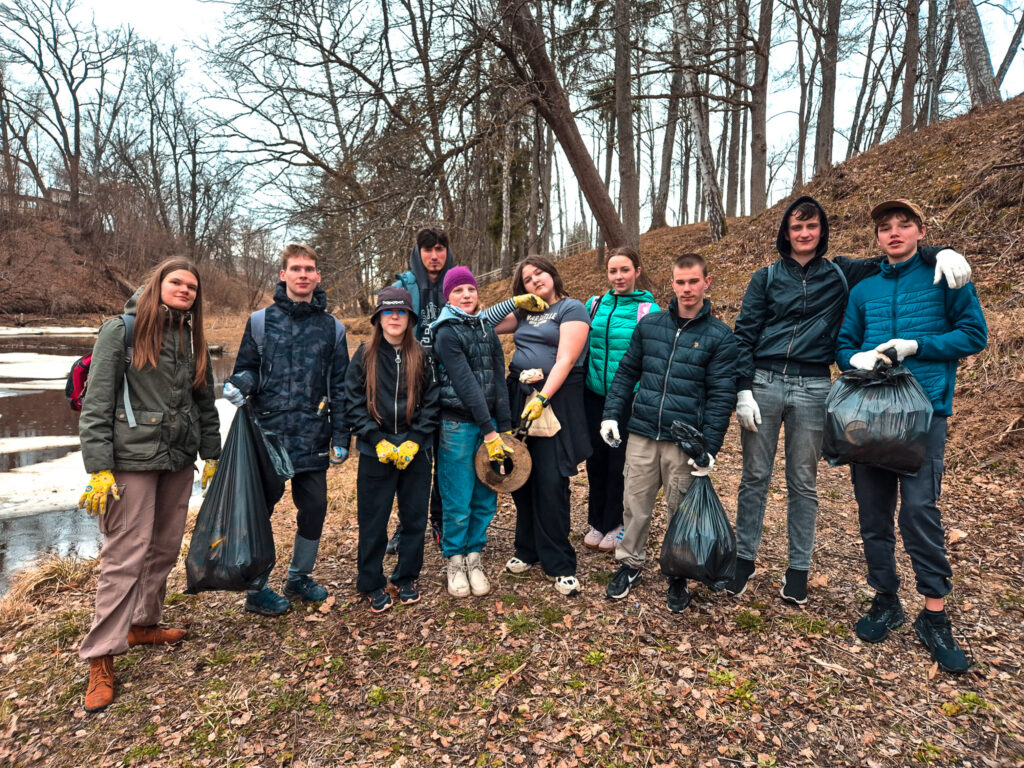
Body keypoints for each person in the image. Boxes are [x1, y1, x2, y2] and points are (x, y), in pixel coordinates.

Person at [728, 195, 973, 605]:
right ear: (785, 233)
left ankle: (798, 568)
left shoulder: (843, 272)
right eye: (796, 227)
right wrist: (742, 388)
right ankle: (743, 560)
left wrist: (941, 250)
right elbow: (744, 334)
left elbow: (897, 256)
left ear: (822, 231)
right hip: (765, 381)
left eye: (812, 226)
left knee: (803, 481)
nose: (804, 233)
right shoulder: (766, 277)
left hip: (813, 385)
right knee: (754, 477)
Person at [836, 199, 986, 675]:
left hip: (924, 414)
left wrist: (918, 345)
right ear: (877, 237)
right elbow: (844, 344)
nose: (894, 233)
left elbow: (973, 335)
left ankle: (934, 615)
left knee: (920, 511)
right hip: (870, 415)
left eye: (904, 225)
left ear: (921, 230)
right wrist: (855, 358)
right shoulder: (865, 289)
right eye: (885, 227)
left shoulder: (945, 275)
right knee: (873, 512)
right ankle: (885, 599)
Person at [77, 257, 221, 713]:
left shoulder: (191, 337)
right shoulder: (121, 331)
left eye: (192, 287)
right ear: (158, 284)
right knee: (124, 555)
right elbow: (96, 403)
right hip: (130, 462)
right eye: (177, 282)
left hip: (178, 459)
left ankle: (143, 623)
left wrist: (212, 453)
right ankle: (100, 656)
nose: (184, 291)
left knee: (162, 547)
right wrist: (99, 467)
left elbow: (205, 403)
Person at [599, 253, 738, 613]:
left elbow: (722, 396)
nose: (687, 288)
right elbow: (627, 372)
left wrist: (710, 447)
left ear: (707, 281)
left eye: (694, 281)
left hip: (684, 441)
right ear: (672, 284)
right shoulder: (651, 325)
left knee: (681, 509)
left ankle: (678, 572)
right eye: (680, 282)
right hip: (643, 431)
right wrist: (612, 414)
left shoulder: (720, 336)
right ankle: (629, 563)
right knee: (635, 505)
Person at [223, 244, 349, 617]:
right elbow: (248, 367)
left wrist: (342, 437)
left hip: (312, 434)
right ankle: (256, 587)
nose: (303, 275)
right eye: (296, 268)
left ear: (318, 276)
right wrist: (240, 383)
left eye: (309, 269)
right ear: (283, 275)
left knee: (314, 508)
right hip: (268, 436)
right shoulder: (261, 321)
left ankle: (298, 577)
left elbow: (341, 388)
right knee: (260, 511)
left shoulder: (333, 328)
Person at [489, 256, 591, 597]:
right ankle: (527, 549)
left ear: (552, 273)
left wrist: (544, 396)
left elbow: (566, 359)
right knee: (520, 475)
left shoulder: (571, 308)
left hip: (554, 401)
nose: (534, 280)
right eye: (527, 279)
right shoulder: (524, 312)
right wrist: (514, 303)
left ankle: (560, 562)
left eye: (539, 273)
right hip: (518, 396)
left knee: (550, 479)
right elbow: (480, 323)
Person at [345, 287, 439, 612]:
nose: (395, 317)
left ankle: (406, 576)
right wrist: (376, 438)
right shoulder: (364, 355)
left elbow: (432, 403)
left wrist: (416, 439)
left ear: (410, 318)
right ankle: (370, 581)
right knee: (373, 521)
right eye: (388, 312)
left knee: (414, 519)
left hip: (415, 452)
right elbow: (353, 403)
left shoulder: (422, 356)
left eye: (401, 312)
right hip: (376, 454)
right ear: (378, 318)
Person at [430, 267, 514, 597]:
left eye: (471, 289)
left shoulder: (486, 329)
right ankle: (455, 559)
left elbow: (498, 379)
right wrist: (489, 430)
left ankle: (474, 555)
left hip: (491, 428)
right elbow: (465, 384)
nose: (467, 295)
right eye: (459, 290)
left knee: (486, 492)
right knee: (458, 496)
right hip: (458, 425)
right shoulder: (446, 332)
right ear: (447, 297)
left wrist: (503, 430)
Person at [582, 246, 658, 552]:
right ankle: (597, 521)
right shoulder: (594, 304)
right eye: (613, 271)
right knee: (595, 460)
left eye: (624, 270)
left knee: (620, 463)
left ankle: (617, 522)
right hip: (593, 394)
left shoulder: (648, 310)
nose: (618, 277)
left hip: (627, 398)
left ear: (637, 272)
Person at [388, 227, 454, 553]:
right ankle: (406, 525)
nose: (434, 255)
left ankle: (440, 520)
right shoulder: (403, 287)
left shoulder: (457, 285)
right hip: (412, 389)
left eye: (440, 249)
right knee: (412, 461)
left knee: (446, 459)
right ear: (418, 252)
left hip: (450, 389)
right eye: (428, 249)